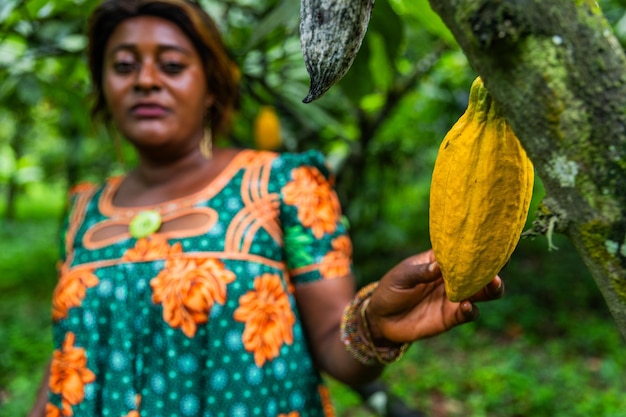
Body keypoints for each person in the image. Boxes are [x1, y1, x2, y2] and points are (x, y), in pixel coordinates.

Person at [28, 1, 504, 416]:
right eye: (124, 65)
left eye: (171, 66)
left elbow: (332, 346)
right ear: (103, 87)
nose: (146, 80)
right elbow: (68, 359)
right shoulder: (83, 208)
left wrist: (375, 324)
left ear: (211, 86)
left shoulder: (283, 184)